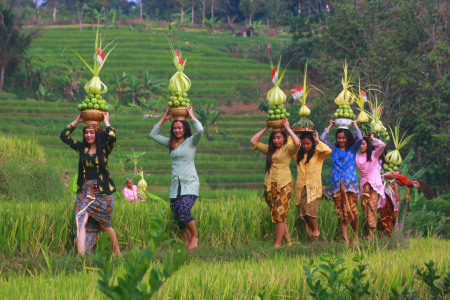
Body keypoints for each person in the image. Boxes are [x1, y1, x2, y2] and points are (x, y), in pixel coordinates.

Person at [60, 112, 120, 255]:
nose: (88, 135)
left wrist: (106, 121)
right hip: (85, 191)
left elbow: (112, 137)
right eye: (86, 132)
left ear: (97, 133)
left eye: (92, 132)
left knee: (105, 226)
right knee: (80, 220)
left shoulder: (105, 149)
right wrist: (77, 121)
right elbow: (64, 136)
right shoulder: (81, 148)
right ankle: (81, 257)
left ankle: (116, 252)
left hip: (102, 193)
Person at [149, 106, 203, 251]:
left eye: (179, 128)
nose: (177, 130)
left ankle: (195, 237)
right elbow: (153, 135)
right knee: (178, 216)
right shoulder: (171, 143)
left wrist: (192, 115)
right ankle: (185, 246)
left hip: (189, 183)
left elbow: (201, 130)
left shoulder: (192, 142)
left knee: (184, 210)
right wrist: (164, 118)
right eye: (175, 128)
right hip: (175, 186)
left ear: (185, 128)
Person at [250, 119, 300, 248]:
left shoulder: (288, 149)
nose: (276, 140)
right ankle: (288, 242)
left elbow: (297, 142)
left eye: (279, 138)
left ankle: (277, 244)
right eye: (274, 138)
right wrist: (265, 128)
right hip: (270, 184)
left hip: (285, 183)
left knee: (279, 213)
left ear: (284, 138)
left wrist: (288, 129)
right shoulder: (269, 150)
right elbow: (253, 141)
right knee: (278, 214)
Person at [320, 120, 362, 245]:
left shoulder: (353, 149)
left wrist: (355, 125)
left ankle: (355, 237)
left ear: (347, 138)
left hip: (350, 186)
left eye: (343, 138)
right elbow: (322, 140)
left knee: (353, 212)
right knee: (341, 213)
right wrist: (330, 125)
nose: (341, 140)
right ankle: (346, 240)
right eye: (339, 138)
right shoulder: (333, 149)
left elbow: (360, 139)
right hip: (337, 185)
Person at [293, 130, 332, 239]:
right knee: (303, 212)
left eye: (308, 144)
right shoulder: (298, 155)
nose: (305, 146)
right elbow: (290, 145)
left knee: (309, 209)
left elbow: (328, 150)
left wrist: (317, 140)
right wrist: (293, 133)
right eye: (303, 144)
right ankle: (311, 235)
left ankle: (316, 230)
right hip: (301, 188)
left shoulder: (318, 154)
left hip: (313, 188)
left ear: (312, 144)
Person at [377, 151, 420, 237]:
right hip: (377, 193)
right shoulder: (373, 164)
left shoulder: (390, 167)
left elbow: (398, 178)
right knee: (380, 215)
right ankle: (378, 235)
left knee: (393, 215)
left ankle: (387, 237)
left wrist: (410, 182)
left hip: (389, 193)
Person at [356, 134, 386, 241]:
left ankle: (371, 233)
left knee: (371, 208)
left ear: (367, 145)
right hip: (364, 186)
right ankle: (366, 232)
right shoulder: (356, 157)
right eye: (359, 144)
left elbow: (382, 145)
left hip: (374, 185)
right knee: (364, 209)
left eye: (363, 144)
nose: (361, 146)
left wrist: (372, 138)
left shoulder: (374, 155)